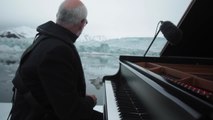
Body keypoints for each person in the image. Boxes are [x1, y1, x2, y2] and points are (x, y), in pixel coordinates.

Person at [8, 0, 103, 120]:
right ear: (82, 23)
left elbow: (53, 91)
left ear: (58, 16)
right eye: (86, 22)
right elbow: (71, 113)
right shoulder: (58, 50)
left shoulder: (45, 39)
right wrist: (90, 100)